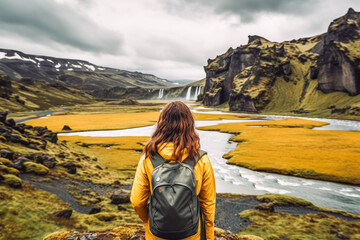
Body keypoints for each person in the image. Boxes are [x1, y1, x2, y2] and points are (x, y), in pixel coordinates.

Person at [130, 101, 216, 240]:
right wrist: (209, 237)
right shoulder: (201, 160)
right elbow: (208, 205)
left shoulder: (148, 158)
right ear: (189, 125)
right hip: (191, 235)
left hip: (156, 234)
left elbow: (137, 201)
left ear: (161, 124)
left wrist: (152, 220)